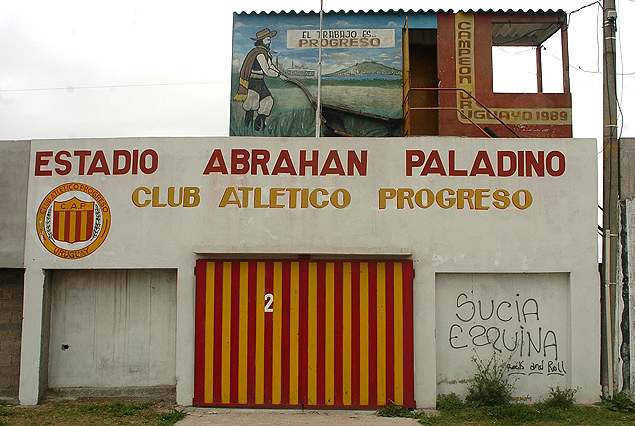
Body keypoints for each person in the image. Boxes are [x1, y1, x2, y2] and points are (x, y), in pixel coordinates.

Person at [233, 28, 289, 131]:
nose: (269, 42)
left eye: (269, 39)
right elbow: (267, 70)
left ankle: (259, 126)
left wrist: (281, 74)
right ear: (261, 41)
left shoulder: (265, 53)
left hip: (260, 82)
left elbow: (271, 65)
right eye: (267, 39)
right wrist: (279, 76)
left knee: (268, 101)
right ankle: (247, 129)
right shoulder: (259, 53)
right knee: (252, 104)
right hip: (253, 82)